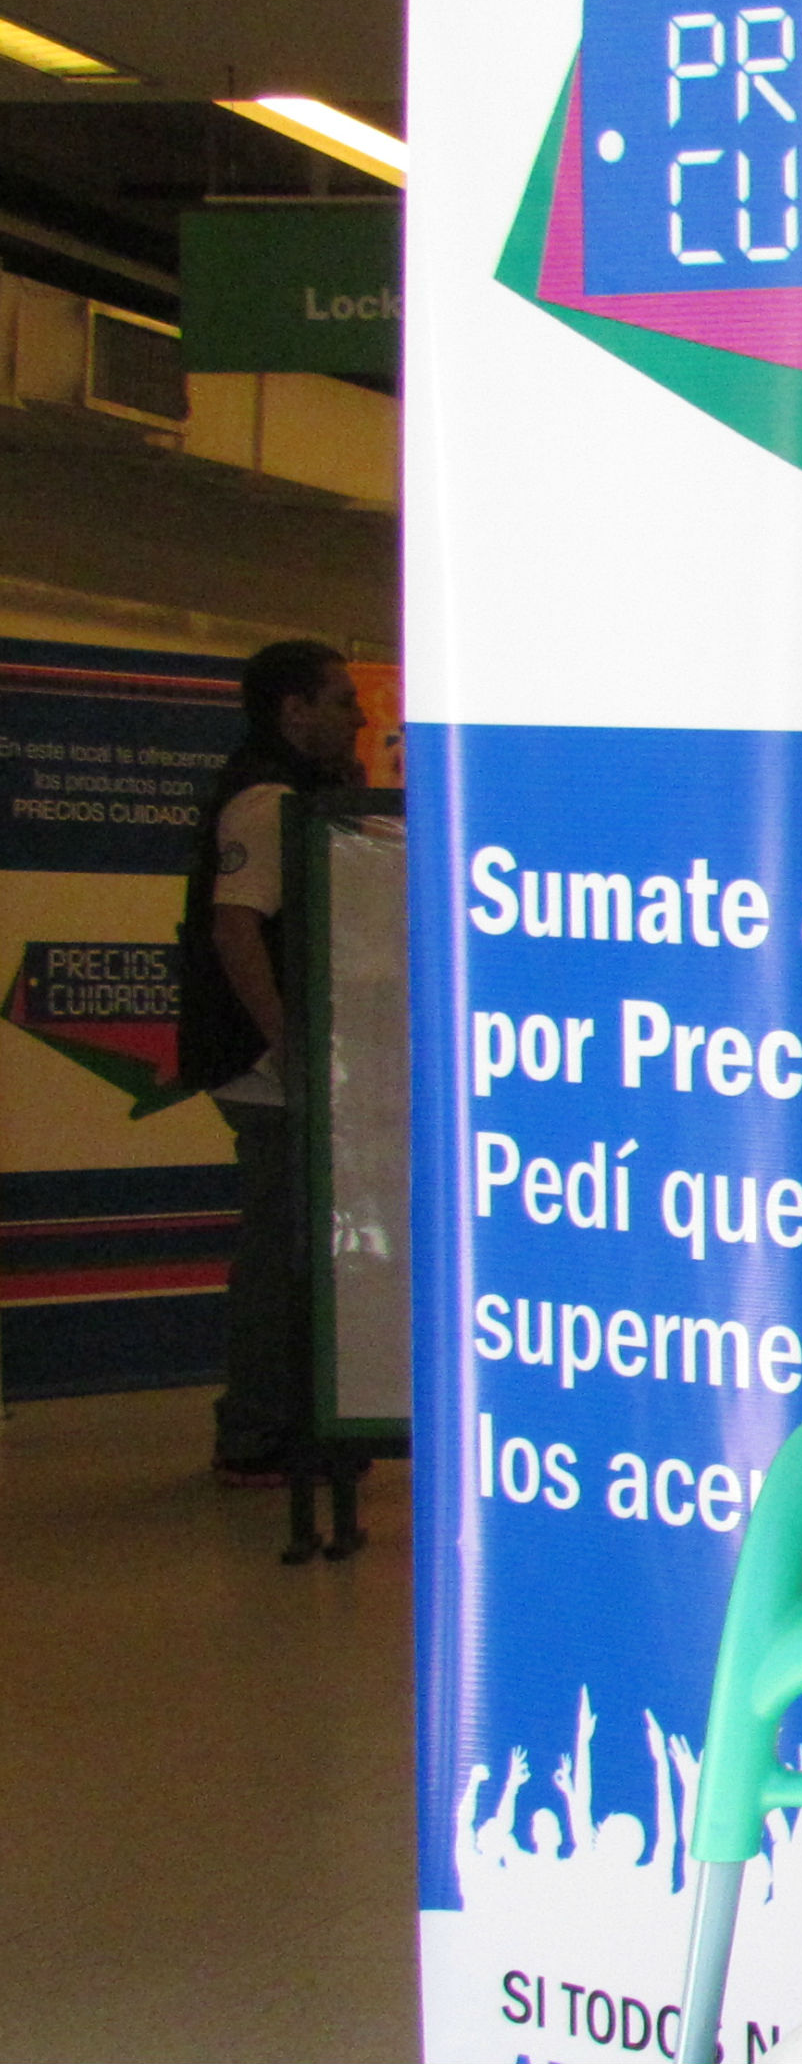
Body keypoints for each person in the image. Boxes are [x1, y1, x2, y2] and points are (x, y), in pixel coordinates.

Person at [176, 638, 368, 1543]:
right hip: (269, 1075)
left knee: (296, 1250)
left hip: (282, 1067)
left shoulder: (299, 794)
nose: (358, 719)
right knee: (279, 1252)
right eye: (341, 702)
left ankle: (295, 1422)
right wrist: (287, 1042)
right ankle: (256, 1433)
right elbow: (235, 927)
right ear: (293, 711)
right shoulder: (267, 799)